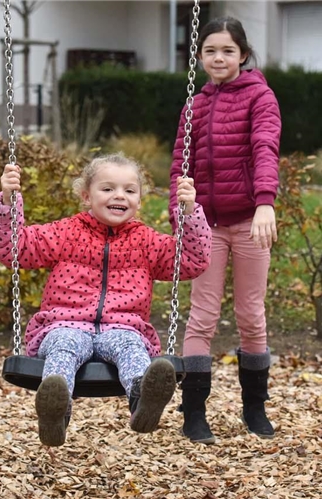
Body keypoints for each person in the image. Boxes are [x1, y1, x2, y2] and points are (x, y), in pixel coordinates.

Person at [0, 153, 211, 447]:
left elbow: (192, 261)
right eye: (107, 189)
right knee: (63, 345)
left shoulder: (147, 242)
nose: (119, 196)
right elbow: (14, 248)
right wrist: (8, 201)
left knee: (130, 346)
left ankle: (143, 401)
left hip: (123, 326)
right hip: (64, 324)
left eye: (129, 190)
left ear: (140, 200)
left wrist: (190, 212)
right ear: (86, 195)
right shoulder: (65, 232)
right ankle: (56, 411)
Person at [169, 17, 282, 445]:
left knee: (251, 315)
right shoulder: (193, 105)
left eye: (228, 51)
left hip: (249, 222)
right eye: (211, 51)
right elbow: (181, 161)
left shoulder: (261, 97)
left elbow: (264, 147)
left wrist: (265, 203)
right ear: (201, 57)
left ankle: (254, 406)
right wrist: (179, 215)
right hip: (206, 223)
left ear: (243, 55)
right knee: (202, 317)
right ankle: (194, 412)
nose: (219, 58)